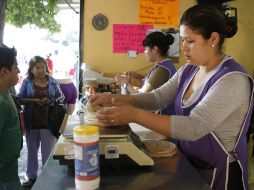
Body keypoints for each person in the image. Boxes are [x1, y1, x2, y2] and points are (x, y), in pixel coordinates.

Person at [89, 5, 254, 190]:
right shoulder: (189, 70)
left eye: (190, 41)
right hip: (187, 164)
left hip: (219, 173)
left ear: (213, 39)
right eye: (182, 40)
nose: (183, 47)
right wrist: (116, 99)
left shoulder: (233, 79)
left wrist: (133, 114)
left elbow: (195, 126)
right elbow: (157, 98)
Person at [18, 56, 65, 187]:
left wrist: (51, 101)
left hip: (48, 122)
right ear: (31, 69)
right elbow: (20, 99)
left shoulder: (53, 82)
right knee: (32, 151)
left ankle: (48, 177)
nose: (40, 70)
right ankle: (32, 177)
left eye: (43, 66)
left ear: (46, 68)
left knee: (47, 152)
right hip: (31, 122)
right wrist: (35, 101)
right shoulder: (27, 82)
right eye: (37, 67)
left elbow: (61, 97)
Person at [115, 31, 177, 114]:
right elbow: (150, 84)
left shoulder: (162, 70)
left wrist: (126, 84)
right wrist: (137, 76)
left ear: (154, 49)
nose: (144, 52)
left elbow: (142, 97)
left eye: (146, 49)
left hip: (163, 117)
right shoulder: (163, 65)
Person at [0, 46, 22, 190]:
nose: (19, 71)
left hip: (10, 171)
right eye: (16, 67)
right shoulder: (1, 103)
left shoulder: (6, 95)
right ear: (4, 71)